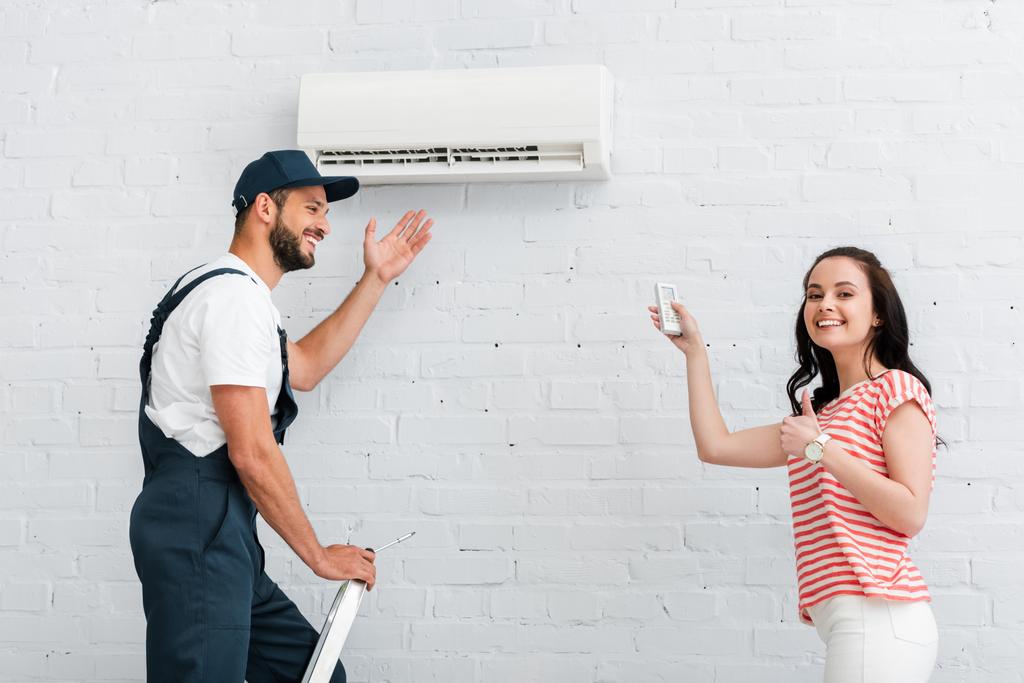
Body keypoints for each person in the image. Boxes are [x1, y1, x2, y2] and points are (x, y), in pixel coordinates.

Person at [129, 150, 434, 682]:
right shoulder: (231, 299)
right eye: (312, 208)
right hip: (198, 522)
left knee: (316, 675)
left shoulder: (235, 295)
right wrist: (316, 555)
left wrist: (376, 277)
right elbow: (250, 450)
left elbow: (307, 367)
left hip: (221, 530)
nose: (324, 224)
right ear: (265, 208)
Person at [649, 246, 939, 682]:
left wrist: (821, 448)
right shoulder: (819, 416)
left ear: (878, 313)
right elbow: (716, 446)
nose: (825, 305)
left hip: (880, 614)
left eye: (844, 294)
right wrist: (695, 353)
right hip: (849, 619)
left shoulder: (896, 390)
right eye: (814, 293)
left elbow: (910, 513)